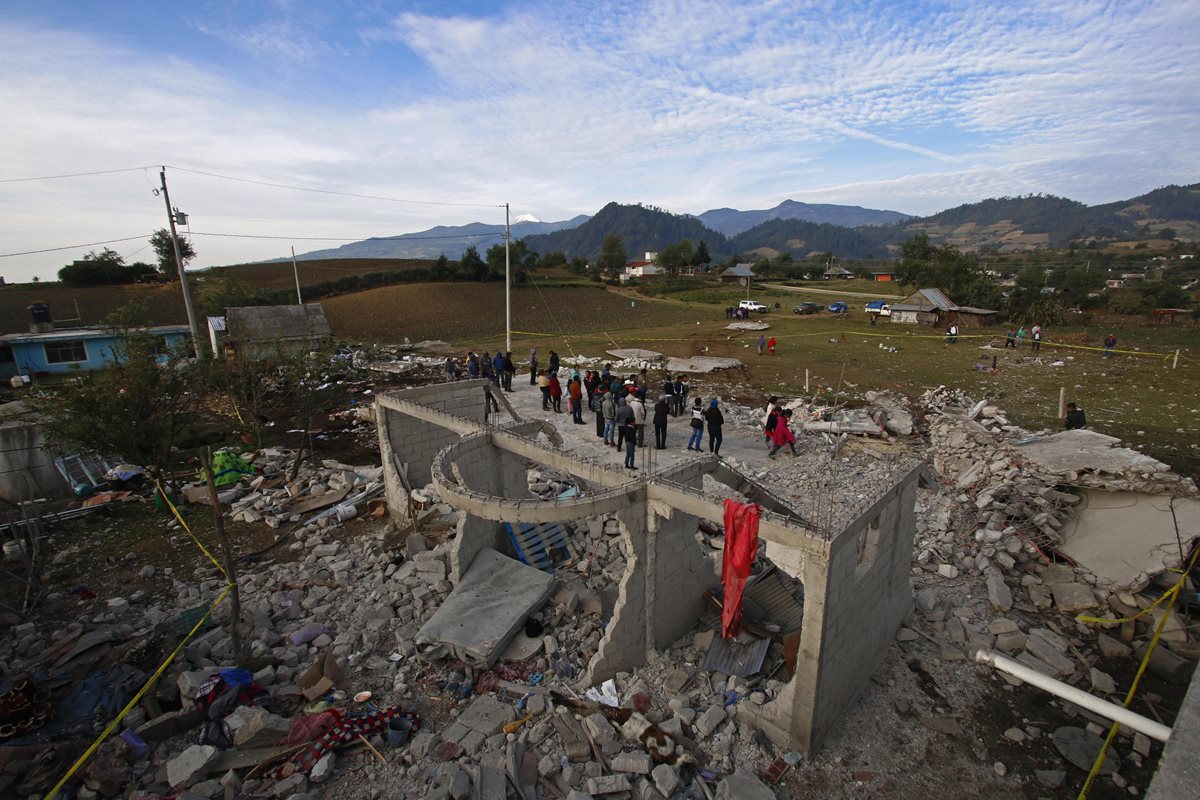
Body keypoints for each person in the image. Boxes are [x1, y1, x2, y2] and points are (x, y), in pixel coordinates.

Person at [616, 398, 637, 469]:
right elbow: (632, 416)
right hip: (627, 425)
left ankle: (619, 447)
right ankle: (631, 464)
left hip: (621, 425)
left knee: (620, 437)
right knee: (628, 438)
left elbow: (617, 418)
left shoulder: (619, 409)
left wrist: (618, 421)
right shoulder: (629, 408)